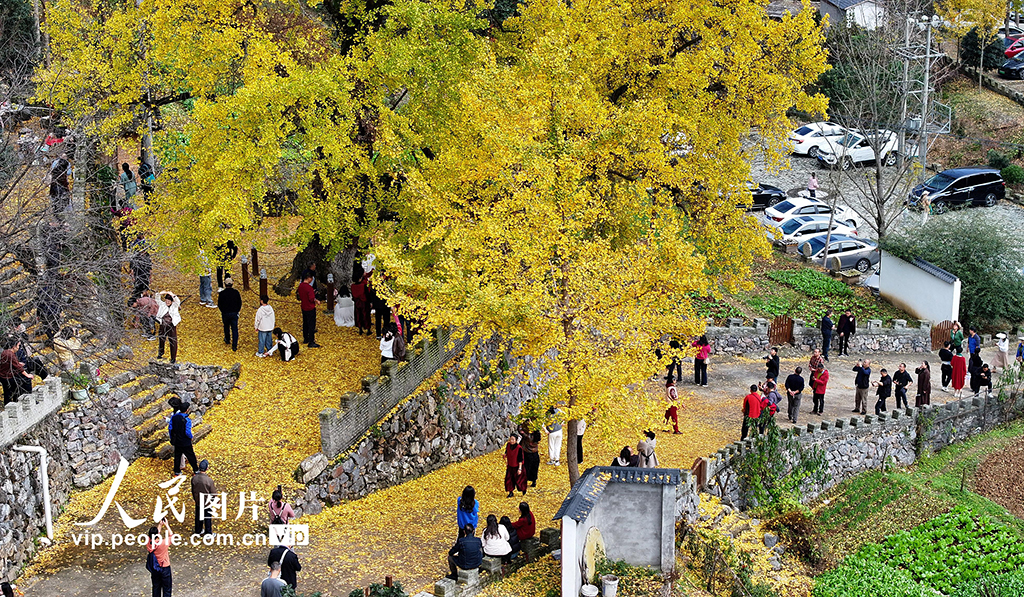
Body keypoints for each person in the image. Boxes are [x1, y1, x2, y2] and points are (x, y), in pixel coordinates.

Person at [168, 397, 199, 476]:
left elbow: (170, 428)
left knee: (177, 456)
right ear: (187, 410)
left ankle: (177, 471)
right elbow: (187, 431)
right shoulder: (187, 420)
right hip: (185, 441)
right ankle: (196, 470)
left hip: (177, 441)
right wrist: (191, 437)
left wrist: (172, 437)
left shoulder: (174, 417)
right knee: (191, 455)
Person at [1, 338, 33, 404]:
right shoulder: (10, 354)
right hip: (7, 377)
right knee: (24, 381)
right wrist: (27, 375)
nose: (18, 348)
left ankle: (12, 403)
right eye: (18, 346)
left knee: (8, 392)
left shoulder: (6, 352)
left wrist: (18, 363)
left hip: (4, 376)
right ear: (14, 347)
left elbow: (12, 363)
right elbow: (18, 367)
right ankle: (27, 399)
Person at [146, 518, 173, 597]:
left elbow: (154, 535)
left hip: (155, 568)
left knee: (156, 587)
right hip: (165, 567)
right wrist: (166, 525)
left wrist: (160, 525)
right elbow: (172, 536)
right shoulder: (163, 543)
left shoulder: (149, 542)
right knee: (167, 589)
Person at [191, 459, 216, 536]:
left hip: (198, 500)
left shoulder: (194, 478)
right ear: (207, 468)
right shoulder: (209, 480)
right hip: (207, 502)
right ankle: (208, 533)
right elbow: (213, 492)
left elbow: (193, 490)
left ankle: (198, 530)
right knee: (207, 517)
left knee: (198, 516)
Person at [156, 291, 181, 364]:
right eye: (166, 300)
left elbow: (177, 301)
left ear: (171, 301)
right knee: (161, 339)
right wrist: (160, 293)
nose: (167, 302)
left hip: (171, 325)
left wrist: (173, 295)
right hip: (163, 325)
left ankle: (173, 358)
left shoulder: (174, 305)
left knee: (173, 341)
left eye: (169, 301)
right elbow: (157, 299)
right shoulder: (162, 305)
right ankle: (160, 353)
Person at [218, 277, 242, 352]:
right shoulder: (236, 293)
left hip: (225, 313)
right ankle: (234, 345)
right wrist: (237, 310)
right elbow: (239, 303)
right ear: (232, 284)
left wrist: (223, 311)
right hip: (234, 313)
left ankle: (227, 339)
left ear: (225, 284)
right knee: (234, 329)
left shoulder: (222, 293)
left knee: (226, 326)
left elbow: (219, 304)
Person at [298, 272, 321, 348]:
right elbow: (311, 299)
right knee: (311, 325)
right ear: (309, 278)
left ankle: (306, 338)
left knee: (305, 323)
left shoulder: (300, 286)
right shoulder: (309, 288)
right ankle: (311, 341)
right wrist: (316, 300)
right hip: (310, 308)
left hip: (303, 306)